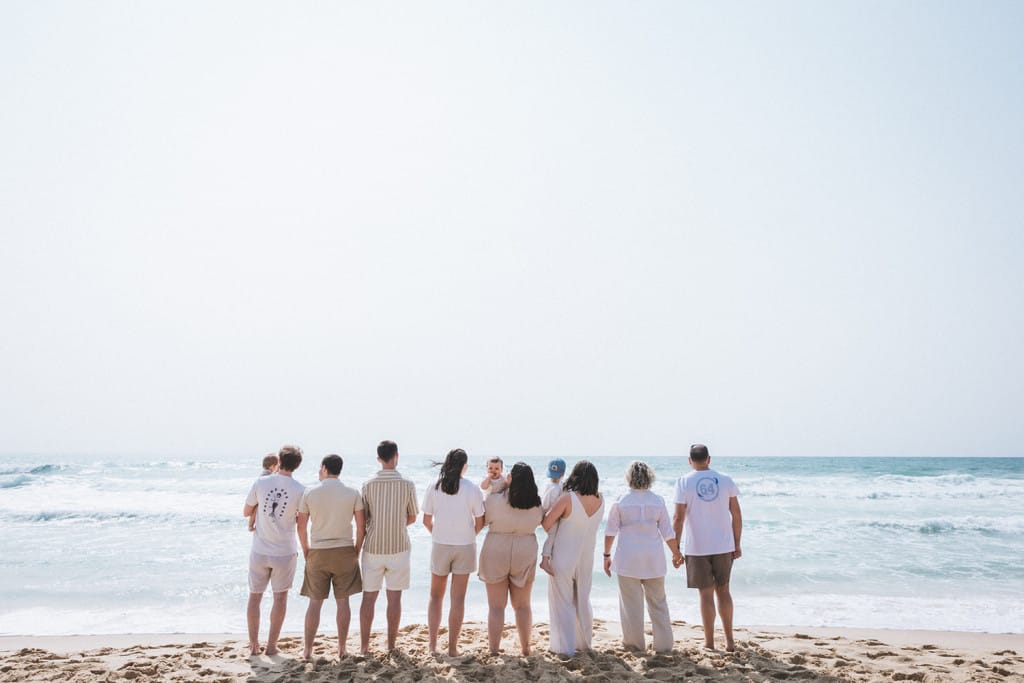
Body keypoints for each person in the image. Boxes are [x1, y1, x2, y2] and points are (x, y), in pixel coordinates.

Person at [603, 461, 680, 653]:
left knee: (631, 606)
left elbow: (610, 531)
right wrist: (677, 553)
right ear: (650, 477)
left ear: (629, 478)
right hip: (653, 559)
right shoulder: (658, 500)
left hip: (628, 559)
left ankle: (635, 645)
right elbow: (667, 532)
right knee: (659, 603)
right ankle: (664, 646)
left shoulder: (621, 501)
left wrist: (606, 554)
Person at [673, 443, 742, 651]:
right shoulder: (725, 480)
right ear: (709, 459)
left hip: (698, 547)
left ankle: (710, 643)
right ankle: (730, 641)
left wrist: (675, 548)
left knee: (705, 594)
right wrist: (737, 543)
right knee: (724, 591)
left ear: (689, 460)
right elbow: (736, 514)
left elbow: (678, 518)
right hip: (723, 545)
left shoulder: (684, 481)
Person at [297, 454, 364, 659]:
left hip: (318, 551)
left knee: (314, 603)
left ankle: (308, 651)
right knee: (343, 602)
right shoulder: (352, 492)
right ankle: (342, 649)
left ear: (325, 468)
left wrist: (307, 550)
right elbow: (361, 526)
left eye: (320, 468)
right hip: (345, 551)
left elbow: (301, 527)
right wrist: (356, 551)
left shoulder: (309, 493)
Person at [242, 445, 305, 656]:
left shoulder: (261, 482)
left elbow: (246, 511)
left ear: (278, 460)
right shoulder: (300, 489)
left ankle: (253, 645)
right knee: (280, 599)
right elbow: (302, 521)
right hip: (285, 551)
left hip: (260, 549)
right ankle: (270, 646)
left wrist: (259, 512)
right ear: (297, 465)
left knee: (255, 597)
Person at [422, 448, 485, 656]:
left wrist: (437, 534)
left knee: (435, 596)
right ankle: (451, 648)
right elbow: (480, 520)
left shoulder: (434, 487)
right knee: (458, 599)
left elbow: (426, 520)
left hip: (440, 545)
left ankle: (432, 645)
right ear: (464, 466)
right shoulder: (472, 488)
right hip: (465, 546)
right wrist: (469, 535)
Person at [358, 440, 419, 654]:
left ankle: (364, 647)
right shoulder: (407, 484)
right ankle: (391, 645)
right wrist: (396, 524)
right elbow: (412, 516)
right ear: (396, 456)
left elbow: (363, 518)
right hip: (399, 546)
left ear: (378, 459)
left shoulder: (367, 484)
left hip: (373, 547)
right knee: (394, 598)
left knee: (368, 598)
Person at [477, 462, 544, 655]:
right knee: (522, 606)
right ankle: (525, 648)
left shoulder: (494, 500)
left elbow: (485, 519)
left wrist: (503, 486)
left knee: (496, 607)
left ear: (511, 479)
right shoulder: (536, 504)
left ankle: (494, 649)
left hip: (496, 548)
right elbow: (539, 522)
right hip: (525, 549)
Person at [542, 460, 604, 655]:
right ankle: (583, 643)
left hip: (564, 555)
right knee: (583, 600)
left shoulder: (568, 498)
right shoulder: (601, 499)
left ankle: (563, 647)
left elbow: (546, 523)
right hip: (586, 557)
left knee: (562, 601)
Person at [537, 458, 566, 576]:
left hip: (548, 514)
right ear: (563, 474)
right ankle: (544, 561)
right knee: (552, 537)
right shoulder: (557, 488)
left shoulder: (548, 484)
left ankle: (549, 557)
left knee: (553, 537)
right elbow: (546, 504)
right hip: (550, 516)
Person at [249, 453, 281, 532]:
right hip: (262, 498)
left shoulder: (264, 474)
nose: (278, 468)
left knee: (257, 509)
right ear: (272, 466)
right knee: (256, 509)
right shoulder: (267, 475)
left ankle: (250, 525)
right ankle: (250, 525)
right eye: (277, 465)